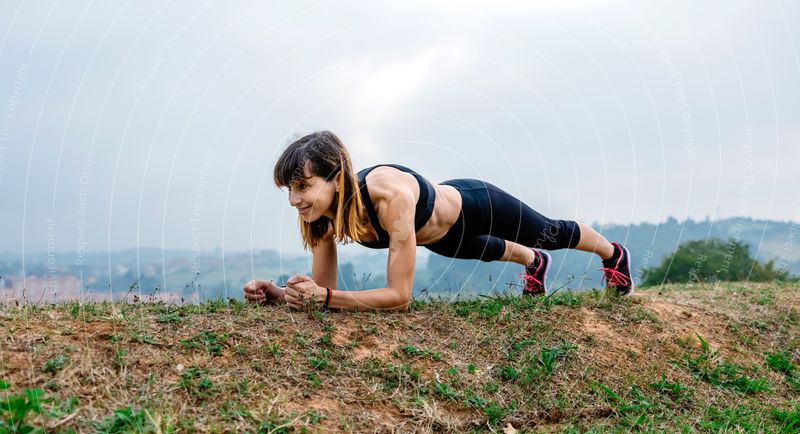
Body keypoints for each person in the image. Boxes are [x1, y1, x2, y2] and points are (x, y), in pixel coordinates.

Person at [243, 130, 634, 311]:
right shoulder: (321, 219)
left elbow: (399, 298)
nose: (294, 200)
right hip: (438, 238)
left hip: (474, 204)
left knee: (549, 233)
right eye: (288, 190)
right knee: (489, 253)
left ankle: (613, 254)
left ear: (337, 177)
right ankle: (535, 265)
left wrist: (326, 297)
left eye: (302, 187)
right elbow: (323, 292)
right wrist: (281, 293)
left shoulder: (386, 194)